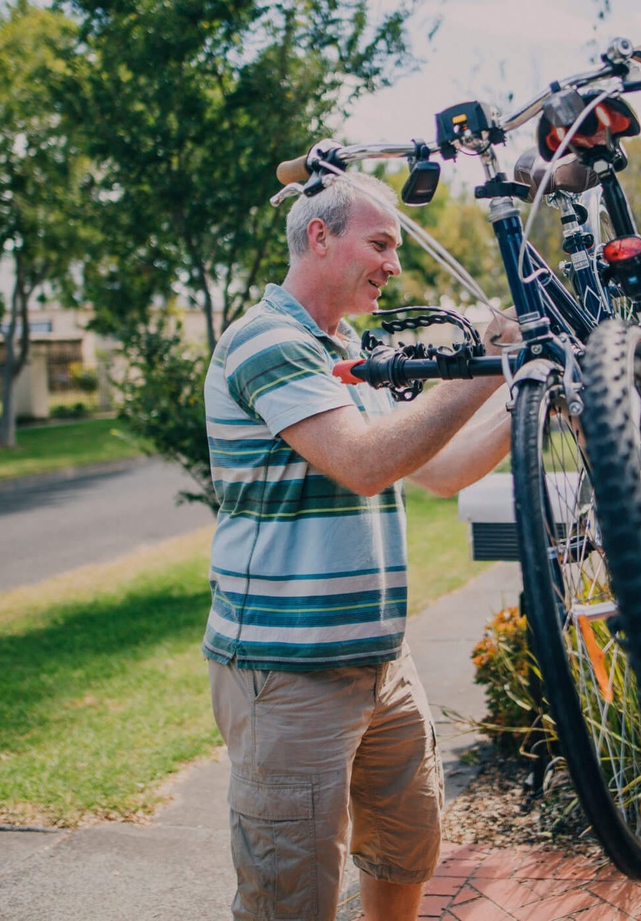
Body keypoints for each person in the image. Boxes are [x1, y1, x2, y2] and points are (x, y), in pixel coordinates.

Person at [202, 170, 513, 921]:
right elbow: (366, 463)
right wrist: (482, 361)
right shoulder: (266, 343)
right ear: (319, 236)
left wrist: (527, 394)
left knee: (405, 852)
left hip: (382, 664)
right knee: (292, 895)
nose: (394, 265)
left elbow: (434, 470)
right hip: (290, 672)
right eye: (379, 243)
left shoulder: (346, 349)